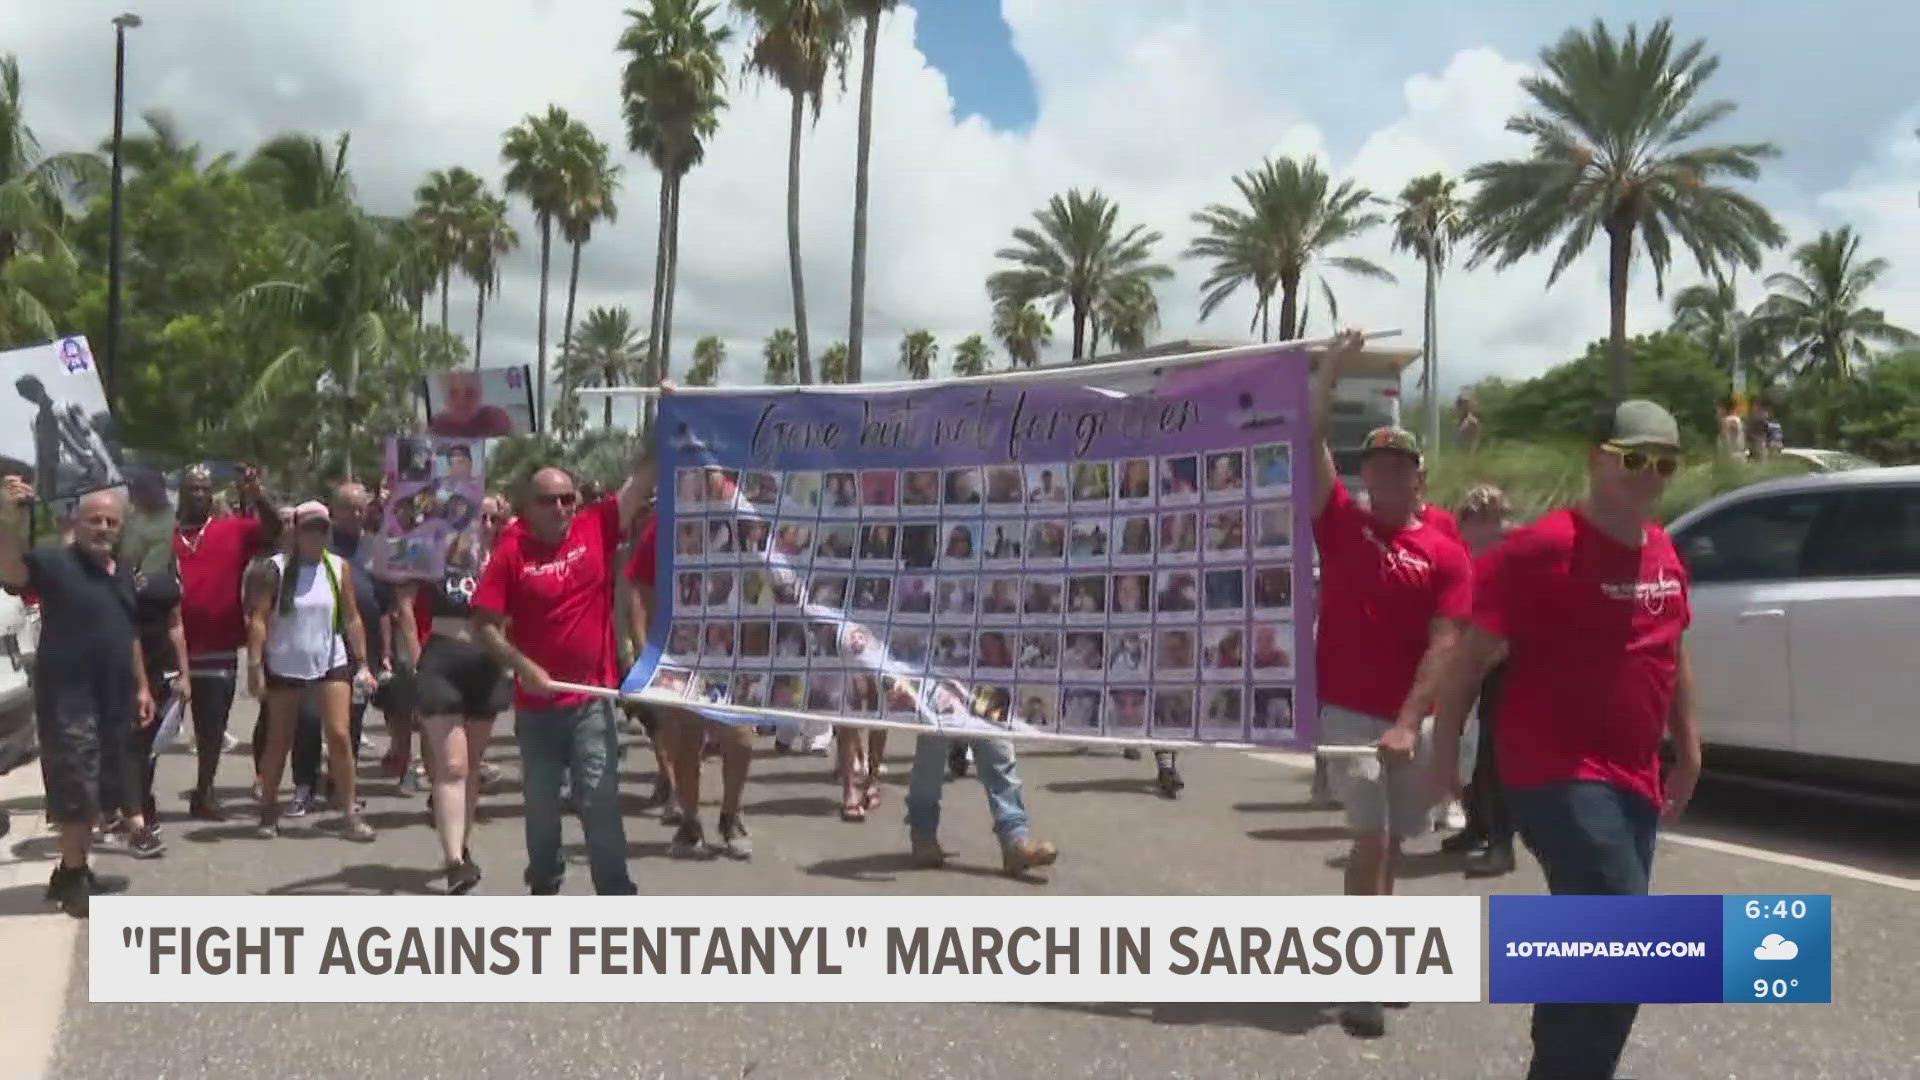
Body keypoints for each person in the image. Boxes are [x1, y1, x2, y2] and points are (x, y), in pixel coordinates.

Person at [1432, 400, 1699, 1080]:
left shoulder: (1664, 549)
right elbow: (1469, 658)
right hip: (1553, 769)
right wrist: (1444, 754)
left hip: (1634, 772)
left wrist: (1690, 745)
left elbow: (1673, 651)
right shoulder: (1544, 548)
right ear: (1600, 460)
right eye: (1635, 459)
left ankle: (1553, 1060)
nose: (1650, 475)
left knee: (1590, 937)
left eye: (1664, 464)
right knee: (1625, 937)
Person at [1308, 329, 1472, 1039]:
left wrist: (1410, 722)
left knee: (1397, 844)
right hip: (1347, 712)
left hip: (1412, 718)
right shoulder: (1339, 524)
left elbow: (1446, 641)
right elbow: (1307, 439)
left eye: (1396, 466)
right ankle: (1360, 976)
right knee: (1369, 841)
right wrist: (1335, 370)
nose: (1383, 476)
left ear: (1417, 478)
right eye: (1373, 466)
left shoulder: (1444, 551)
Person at [472, 451, 652, 895]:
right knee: (541, 806)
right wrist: (521, 665)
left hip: (591, 701)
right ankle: (545, 885)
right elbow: (483, 628)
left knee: (599, 799)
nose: (560, 509)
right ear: (527, 505)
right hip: (536, 710)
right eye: (548, 500)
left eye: (567, 499)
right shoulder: (510, 555)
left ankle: (615, 891)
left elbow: (644, 474)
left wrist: (668, 414)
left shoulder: (597, 525)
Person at [0, 480, 151, 916]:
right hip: (69, 699)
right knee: (75, 791)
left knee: (99, 792)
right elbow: (11, 569)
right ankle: (72, 875)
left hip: (113, 698)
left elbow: (129, 634)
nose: (103, 528)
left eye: (111, 522)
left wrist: (141, 685)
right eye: (94, 520)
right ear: (76, 524)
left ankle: (74, 872)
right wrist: (9, 517)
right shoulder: (54, 564)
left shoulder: (121, 572)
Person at [623, 451, 758, 860]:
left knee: (740, 739)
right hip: (679, 650)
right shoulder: (666, 525)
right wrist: (644, 645)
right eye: (702, 477)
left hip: (729, 650)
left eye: (717, 477)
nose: (710, 485)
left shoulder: (742, 524)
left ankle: (730, 816)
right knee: (686, 741)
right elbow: (637, 586)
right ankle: (690, 822)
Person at [247, 502, 378, 841]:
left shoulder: (337, 567)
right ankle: (268, 810)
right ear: (296, 531)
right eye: (309, 529)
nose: (316, 536)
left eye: (322, 529)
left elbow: (351, 617)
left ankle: (349, 812)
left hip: (330, 660)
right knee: (279, 739)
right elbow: (259, 620)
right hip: (285, 664)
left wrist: (362, 663)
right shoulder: (274, 569)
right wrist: (254, 666)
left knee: (339, 735)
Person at [174, 463, 281, 820]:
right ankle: (138, 802)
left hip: (217, 647)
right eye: (192, 488)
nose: (199, 494)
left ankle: (204, 793)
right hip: (167, 650)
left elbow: (274, 529)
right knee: (150, 732)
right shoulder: (164, 535)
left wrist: (257, 494)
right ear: (181, 492)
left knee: (211, 730)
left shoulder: (232, 530)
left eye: (205, 488)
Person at [1437, 484, 1517, 878]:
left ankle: (1501, 843)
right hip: (1481, 664)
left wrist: (1471, 670)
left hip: (1509, 669)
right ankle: (1478, 827)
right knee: (1476, 754)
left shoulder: (1507, 560)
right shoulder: (1476, 559)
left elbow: (1506, 631)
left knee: (1493, 758)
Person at [908, 730, 1059, 877]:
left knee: (998, 752)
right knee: (929, 762)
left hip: (985, 707)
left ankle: (1015, 842)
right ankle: (923, 835)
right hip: (937, 708)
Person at [429, 370, 514, 438]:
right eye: (453, 394)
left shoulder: (495, 419)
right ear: (445, 399)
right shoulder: (437, 426)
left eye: (470, 393)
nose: (461, 402)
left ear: (479, 393)